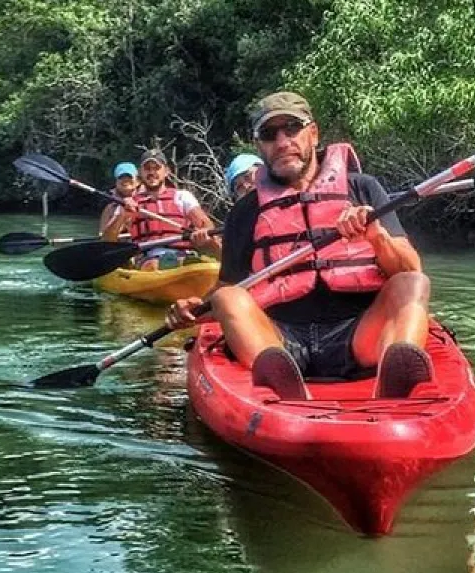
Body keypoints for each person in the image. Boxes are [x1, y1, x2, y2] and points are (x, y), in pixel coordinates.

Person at [166, 91, 431, 399]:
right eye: (269, 134)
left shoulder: (363, 188)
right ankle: (282, 383)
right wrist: (194, 308)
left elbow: (410, 269)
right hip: (280, 340)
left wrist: (375, 234)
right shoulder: (245, 212)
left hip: (361, 334)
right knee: (227, 297)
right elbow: (228, 292)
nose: (281, 142)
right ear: (259, 146)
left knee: (412, 283)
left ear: (313, 133)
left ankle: (395, 379)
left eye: (292, 128)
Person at [101, 148, 220, 270]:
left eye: (156, 168)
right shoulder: (130, 204)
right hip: (148, 257)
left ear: (167, 171)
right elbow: (107, 240)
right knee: (154, 265)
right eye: (147, 169)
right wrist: (122, 214)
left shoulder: (182, 196)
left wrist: (203, 232)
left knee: (212, 245)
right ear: (140, 173)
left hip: (183, 254)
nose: (152, 172)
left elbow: (206, 224)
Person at [98, 162, 139, 236]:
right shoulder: (110, 208)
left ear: (137, 181)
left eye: (129, 177)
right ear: (116, 182)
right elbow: (102, 234)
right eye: (121, 177)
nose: (125, 180)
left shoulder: (144, 201)